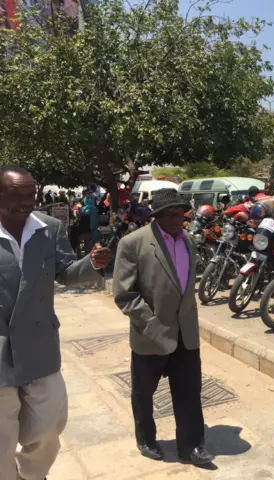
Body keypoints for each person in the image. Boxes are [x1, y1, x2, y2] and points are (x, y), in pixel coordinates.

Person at [0, 165, 111, 480]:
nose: (25, 202)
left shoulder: (49, 228)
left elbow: (65, 272)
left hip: (40, 347)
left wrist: (90, 264)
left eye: (30, 194)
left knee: (49, 427)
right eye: (15, 195)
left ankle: (32, 475)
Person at [112, 188, 213, 465]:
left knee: (189, 392)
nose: (174, 218)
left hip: (185, 334)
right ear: (155, 215)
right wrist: (151, 322)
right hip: (151, 334)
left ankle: (191, 445)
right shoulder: (133, 243)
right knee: (144, 393)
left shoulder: (189, 241)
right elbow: (124, 293)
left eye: (178, 212)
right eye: (167, 213)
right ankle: (145, 438)